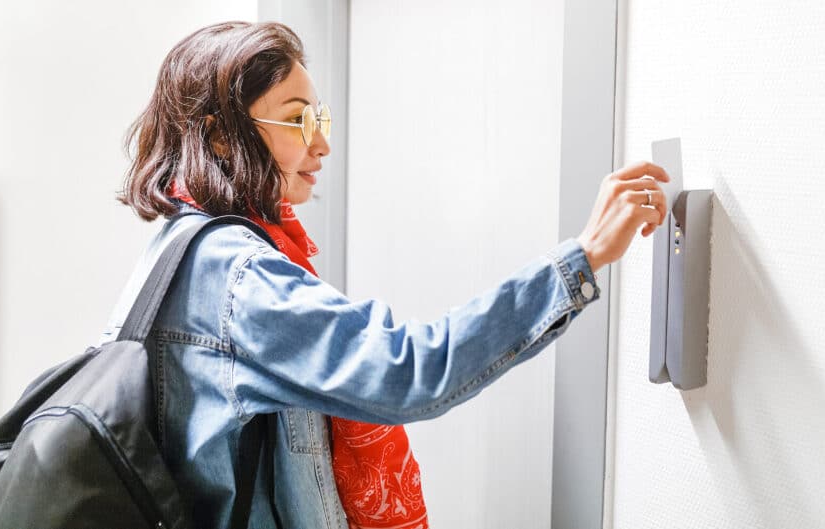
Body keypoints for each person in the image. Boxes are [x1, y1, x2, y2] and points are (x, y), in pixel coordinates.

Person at [99, 20, 669, 529]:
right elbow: (409, 370)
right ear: (221, 134)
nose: (321, 143)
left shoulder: (177, 246)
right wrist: (584, 256)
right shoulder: (239, 277)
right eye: (298, 119)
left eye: (318, 118)